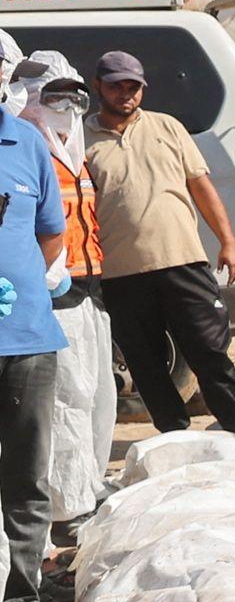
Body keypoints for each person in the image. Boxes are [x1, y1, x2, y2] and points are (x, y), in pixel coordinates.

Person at [85, 49, 235, 435]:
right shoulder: (80, 139)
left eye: (133, 87)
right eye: (116, 86)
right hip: (120, 272)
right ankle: (174, 436)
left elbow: (201, 186)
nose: (125, 94)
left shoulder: (168, 127)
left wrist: (228, 241)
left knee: (209, 352)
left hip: (183, 261)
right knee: (145, 362)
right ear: (98, 87)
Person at [16, 56, 114, 524]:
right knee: (65, 402)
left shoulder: (73, 152)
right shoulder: (26, 145)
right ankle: (66, 506)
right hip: (54, 293)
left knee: (97, 396)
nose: (68, 107)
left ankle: (88, 484)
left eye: (75, 97)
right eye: (55, 96)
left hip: (89, 286)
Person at [0, 79, 71, 602]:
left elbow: (50, 232)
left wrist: (20, 287)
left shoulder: (26, 142)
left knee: (28, 477)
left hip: (26, 338)